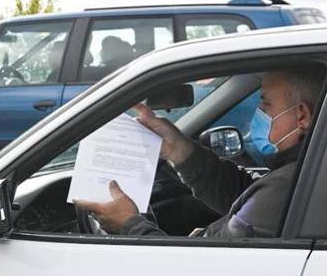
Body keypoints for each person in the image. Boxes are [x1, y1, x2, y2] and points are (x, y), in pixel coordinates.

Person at [76, 68, 323, 238]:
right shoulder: (304, 172)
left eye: (266, 103)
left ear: (301, 115)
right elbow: (244, 194)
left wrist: (129, 224)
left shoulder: (289, 186)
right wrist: (177, 149)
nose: (257, 112)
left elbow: (198, 266)